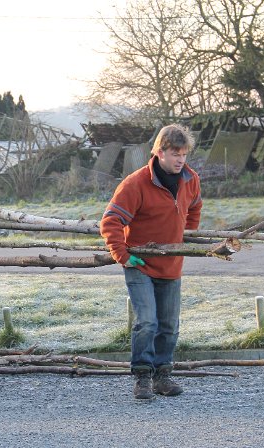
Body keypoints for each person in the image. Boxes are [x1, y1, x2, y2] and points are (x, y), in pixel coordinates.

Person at [100, 124, 202, 400]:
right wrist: (123, 255)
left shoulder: (190, 179)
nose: (180, 160)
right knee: (147, 321)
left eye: (184, 154)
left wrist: (186, 239)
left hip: (172, 265)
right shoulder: (135, 184)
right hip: (139, 264)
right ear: (159, 152)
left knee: (169, 324)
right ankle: (142, 376)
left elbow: (195, 207)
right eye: (174, 154)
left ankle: (163, 375)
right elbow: (111, 221)